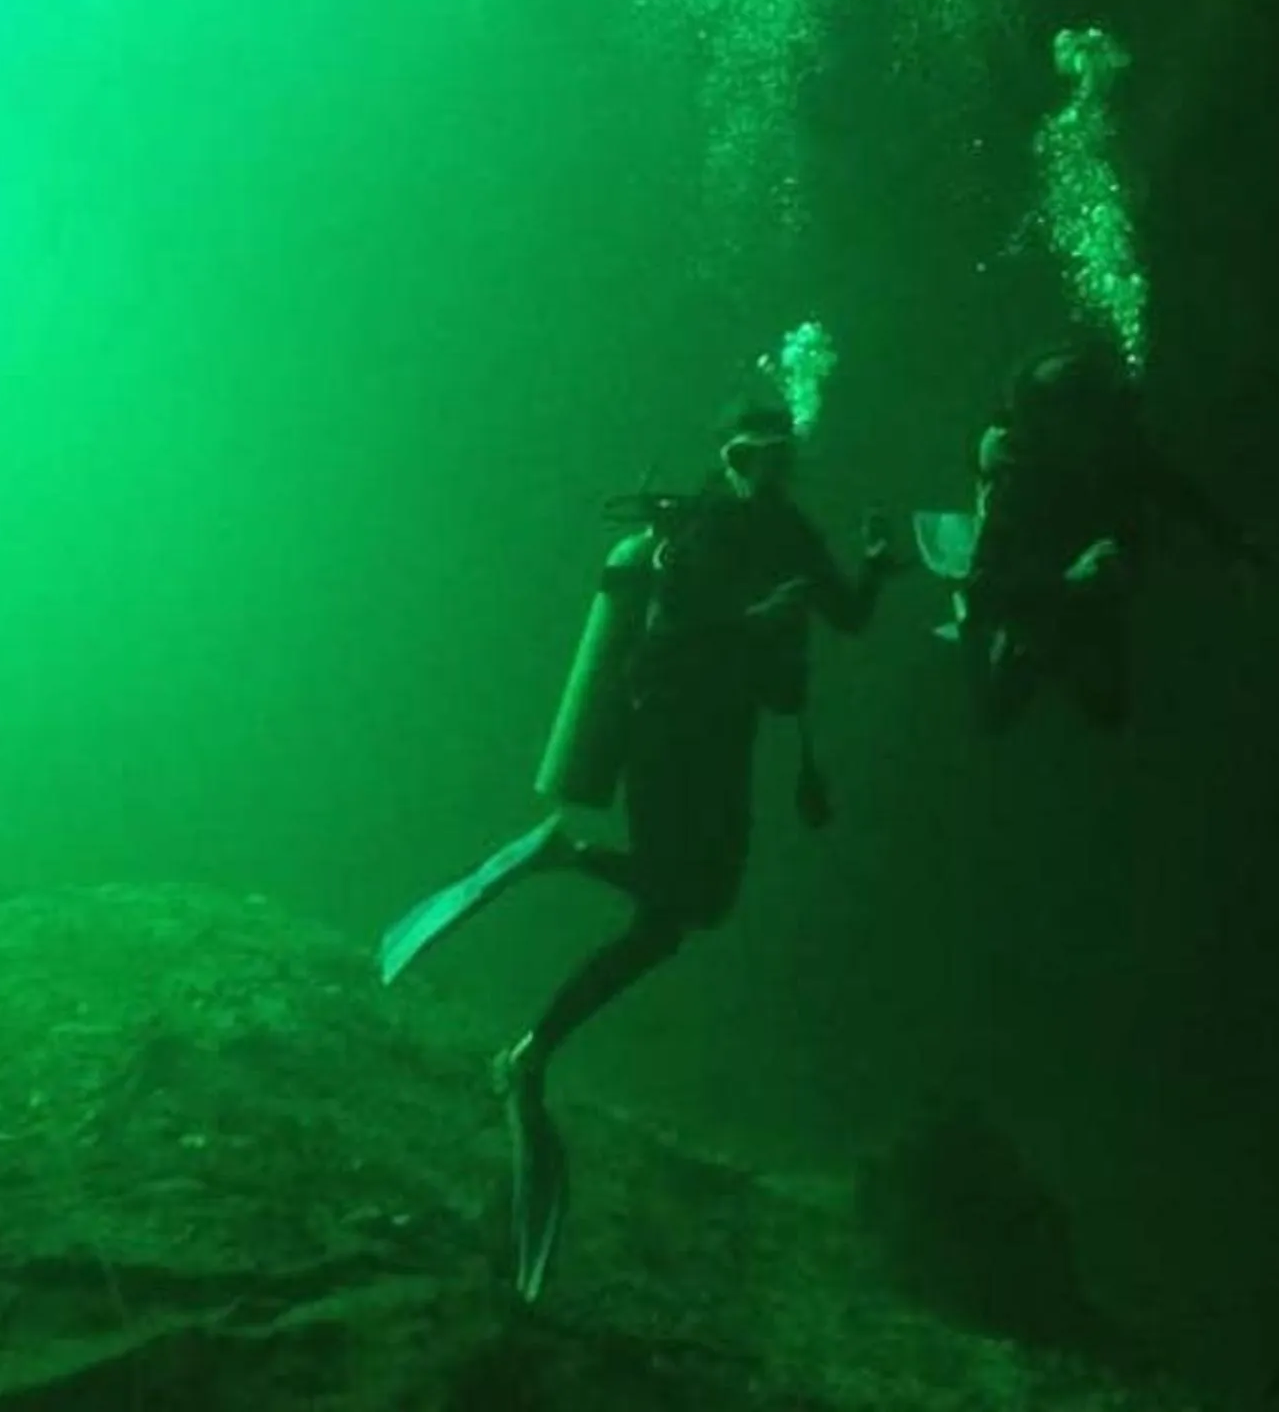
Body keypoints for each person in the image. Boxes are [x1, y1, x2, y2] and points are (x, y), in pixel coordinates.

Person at [377, 401, 900, 1303]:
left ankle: (552, 927)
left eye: (780, 455)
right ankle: (535, 1025)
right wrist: (754, 618)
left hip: (724, 742)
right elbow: (668, 638)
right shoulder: (699, 526)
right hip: (663, 729)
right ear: (730, 454)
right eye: (751, 454)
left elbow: (846, 615)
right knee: (670, 906)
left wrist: (880, 569)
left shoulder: (790, 530)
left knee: (694, 909)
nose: (767, 469)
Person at [954, 337, 1252, 733]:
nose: (1094, 427)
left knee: (1110, 710)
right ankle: (990, 640)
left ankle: (1052, 650)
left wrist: (1234, 544)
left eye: (1094, 410)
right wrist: (1067, 582)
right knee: (993, 715)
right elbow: (982, 588)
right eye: (1078, 414)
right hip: (1041, 594)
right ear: (1049, 423)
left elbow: (1172, 488)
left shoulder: (1116, 451)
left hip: (1092, 590)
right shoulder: (1021, 485)